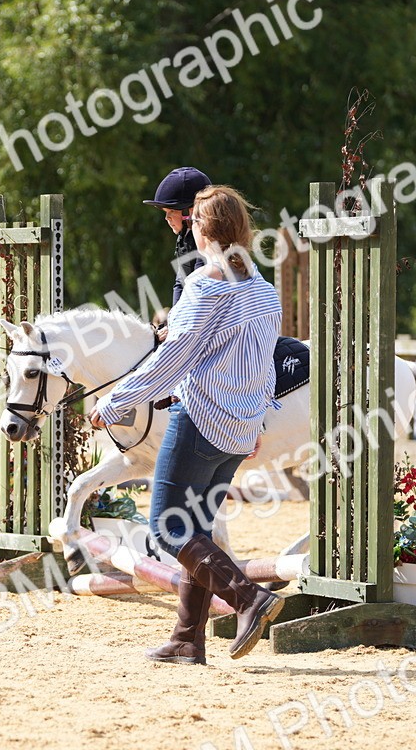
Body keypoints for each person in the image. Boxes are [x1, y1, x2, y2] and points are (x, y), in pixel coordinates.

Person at [89, 185, 283, 664]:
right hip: (239, 430)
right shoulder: (263, 290)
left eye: (193, 223)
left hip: (198, 421)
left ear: (203, 229)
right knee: (196, 526)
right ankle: (185, 639)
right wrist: (256, 419)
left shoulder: (204, 286)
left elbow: (173, 360)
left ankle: (248, 599)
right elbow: (267, 365)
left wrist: (118, 401)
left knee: (167, 529)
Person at [144, 166, 212, 308]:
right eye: (165, 212)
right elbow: (180, 283)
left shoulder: (207, 241)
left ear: (191, 210)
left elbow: (196, 288)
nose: (167, 218)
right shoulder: (185, 237)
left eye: (172, 211)